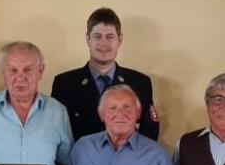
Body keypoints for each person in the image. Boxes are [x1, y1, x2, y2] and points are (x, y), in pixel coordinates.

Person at [52, 7, 158, 141]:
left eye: (110, 37)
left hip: (129, 154)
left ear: (120, 40)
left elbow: (149, 132)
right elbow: (56, 132)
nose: (104, 43)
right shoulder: (64, 84)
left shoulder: (140, 83)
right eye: (97, 37)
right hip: (80, 154)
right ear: (88, 39)